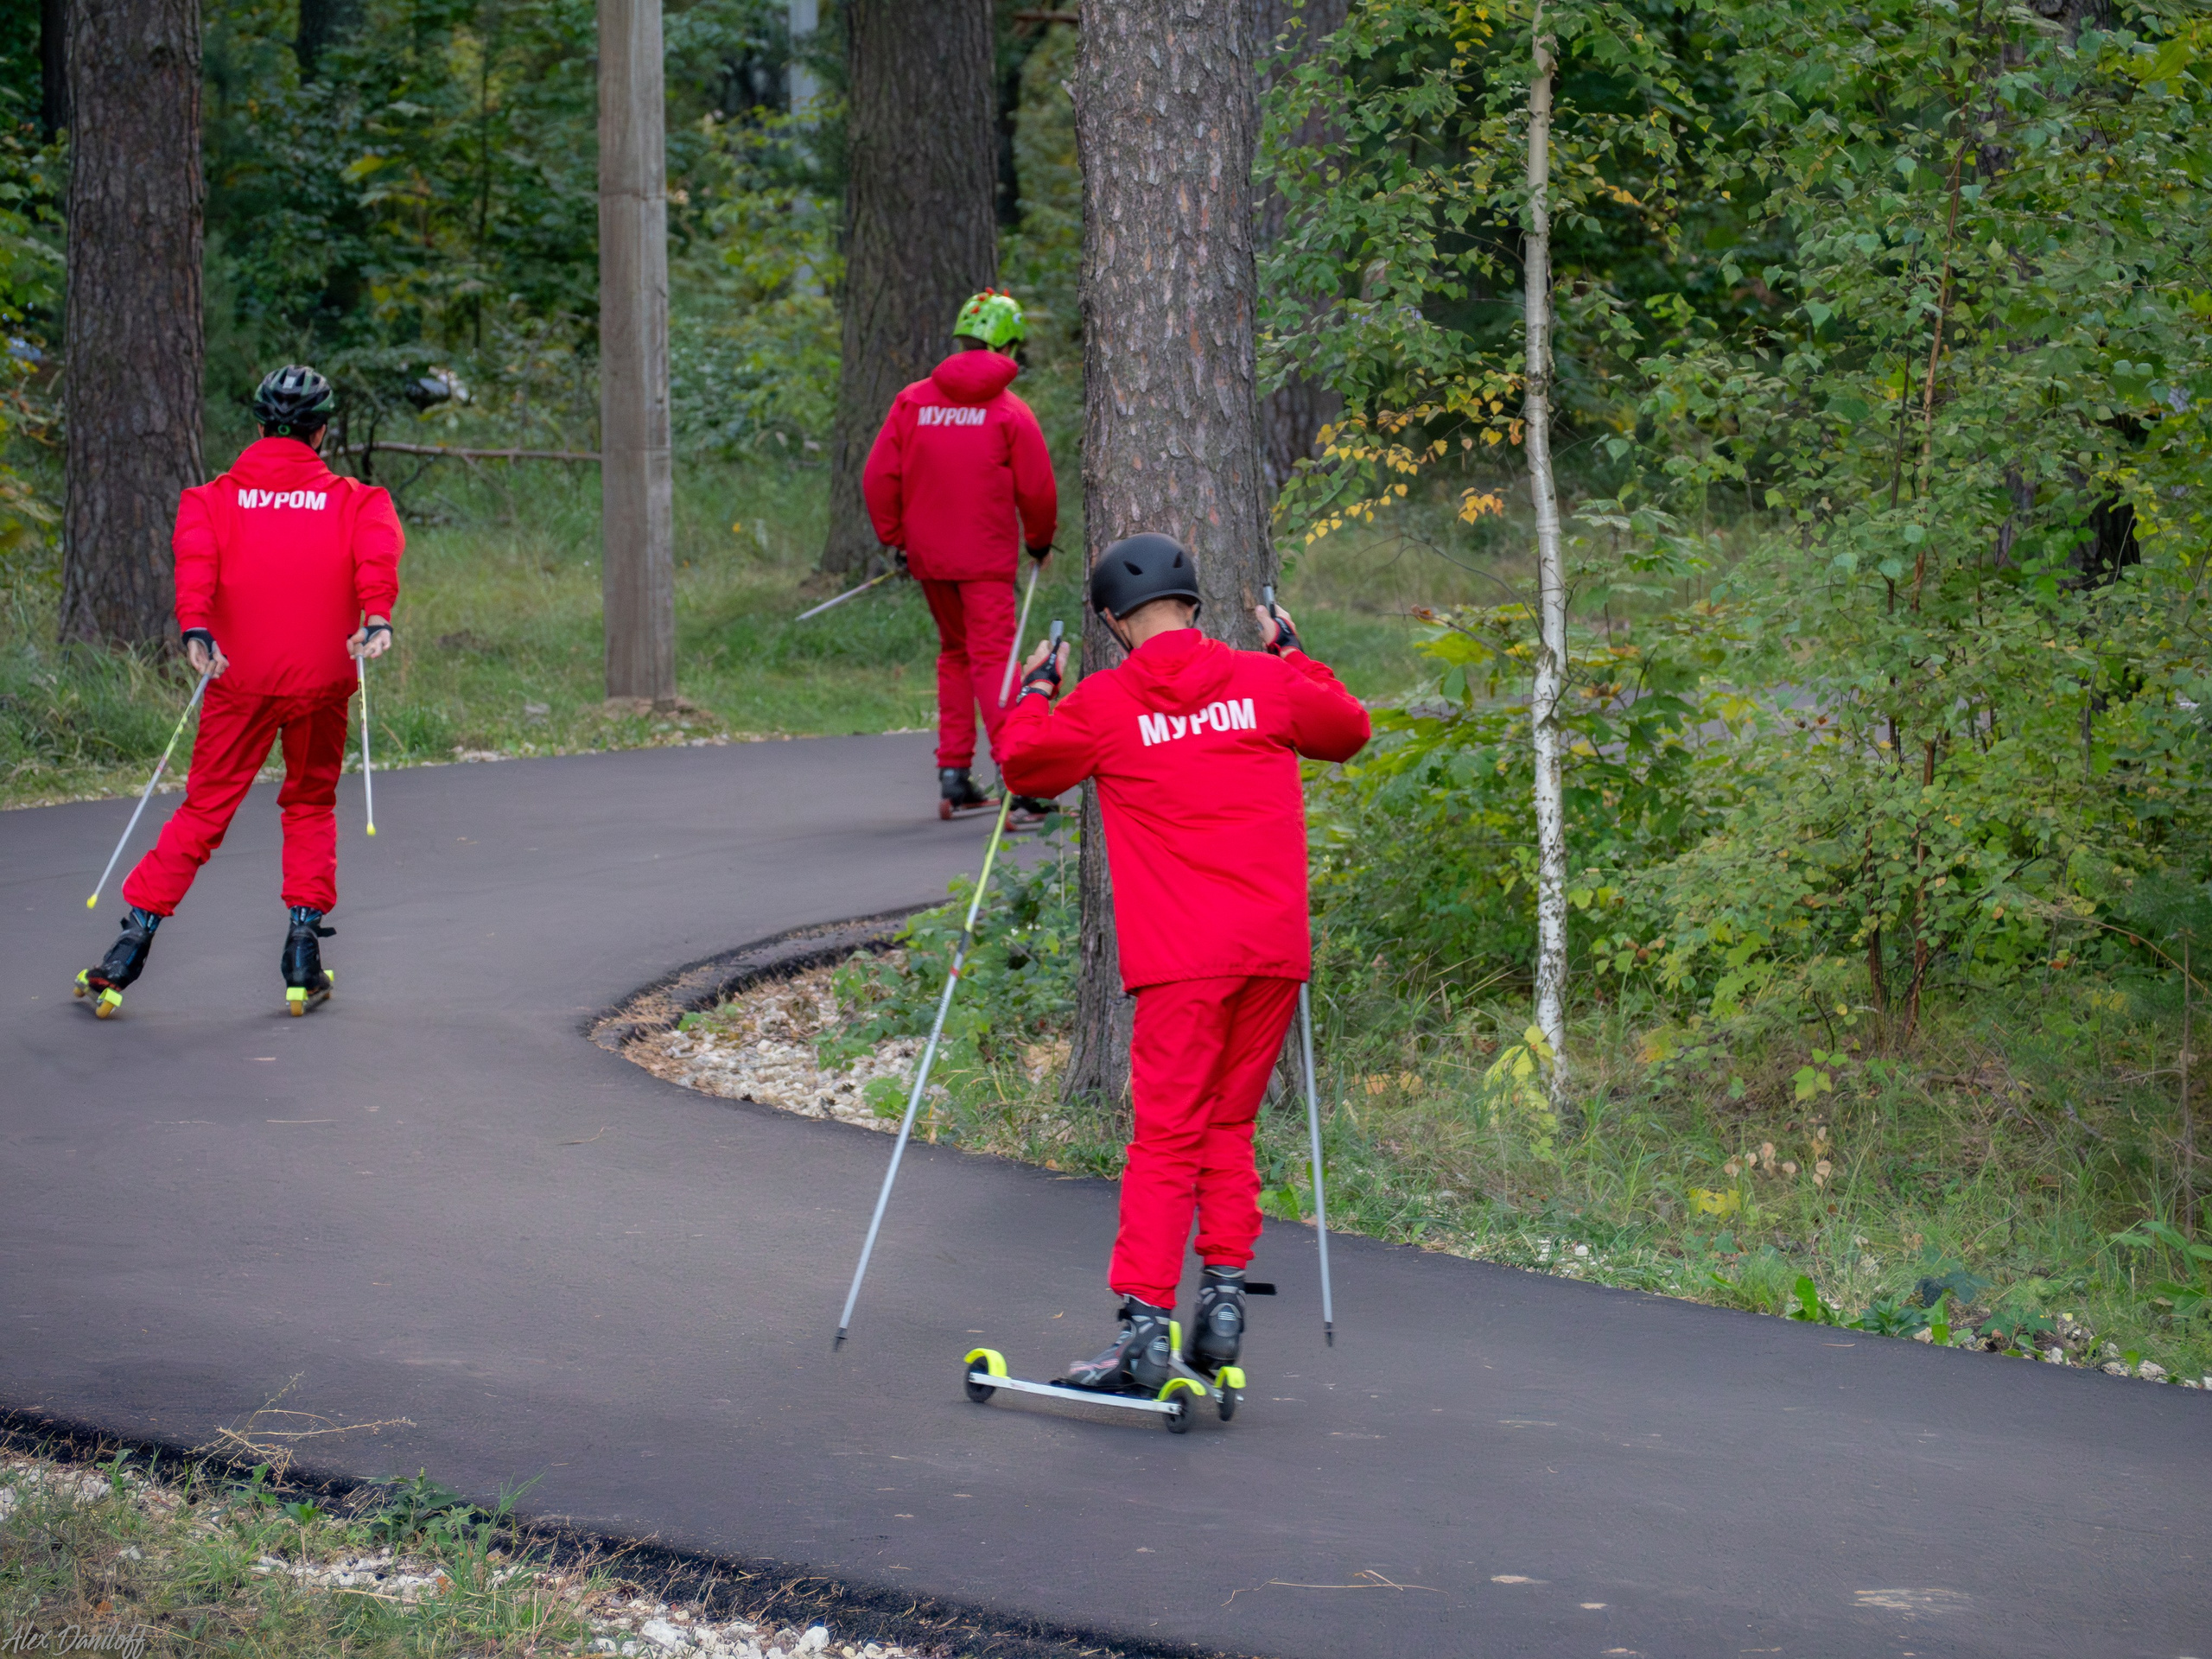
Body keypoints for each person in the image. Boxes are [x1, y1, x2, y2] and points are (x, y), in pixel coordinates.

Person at [997, 533, 1370, 1390]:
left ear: (1111, 621)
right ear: (1193, 604)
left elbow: (1024, 767)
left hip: (1182, 958)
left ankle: (1142, 1328)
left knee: (1166, 1140)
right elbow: (1347, 729)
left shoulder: (1106, 702)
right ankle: (1224, 1302)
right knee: (1228, 1127)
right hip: (1271, 952)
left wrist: (1035, 690)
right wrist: (1293, 651)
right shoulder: (1264, 681)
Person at [74, 365, 404, 1017]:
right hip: (321, 679)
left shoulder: (210, 500)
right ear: (321, 432)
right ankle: (302, 953)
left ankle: (126, 951)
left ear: (258, 428)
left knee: (203, 811)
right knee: (309, 803)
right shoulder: (359, 500)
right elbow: (376, 559)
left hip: (237, 678)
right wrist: (377, 617)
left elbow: (197, 564)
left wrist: (196, 627)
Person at [861, 289, 1058, 826]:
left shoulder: (913, 401)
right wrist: (1039, 541)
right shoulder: (1010, 411)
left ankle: (954, 774)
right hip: (985, 562)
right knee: (994, 661)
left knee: (955, 654)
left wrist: (897, 538)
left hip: (930, 558)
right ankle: (1020, 779)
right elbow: (1038, 489)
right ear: (1008, 346)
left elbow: (878, 477)